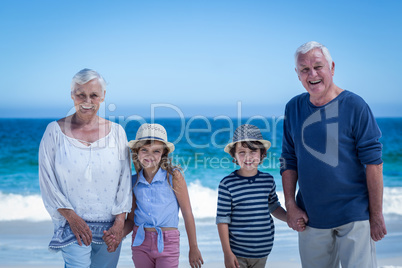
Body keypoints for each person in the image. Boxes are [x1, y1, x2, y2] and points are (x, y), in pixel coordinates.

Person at [280, 41, 387, 268]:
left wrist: (376, 216)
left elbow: (374, 164)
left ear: (332, 68)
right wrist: (290, 205)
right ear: (297, 74)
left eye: (318, 66)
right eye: (305, 69)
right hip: (310, 217)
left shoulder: (355, 106)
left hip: (354, 215)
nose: (312, 74)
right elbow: (288, 159)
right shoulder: (293, 108)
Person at [38, 68, 132, 268]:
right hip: (72, 225)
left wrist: (119, 222)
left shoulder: (117, 133)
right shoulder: (54, 132)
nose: (87, 101)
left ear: (103, 96)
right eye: (81, 94)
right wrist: (72, 218)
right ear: (72, 94)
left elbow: (124, 181)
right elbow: (47, 182)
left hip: (109, 228)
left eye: (94, 95)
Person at [104, 123, 204, 268]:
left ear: (163, 153)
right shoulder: (133, 181)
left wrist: (193, 247)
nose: (150, 155)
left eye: (156, 151)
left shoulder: (173, 176)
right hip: (140, 243)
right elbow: (131, 220)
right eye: (144, 150)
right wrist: (117, 237)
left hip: (168, 243)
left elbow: (187, 213)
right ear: (137, 152)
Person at [216, 124, 304, 268]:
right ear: (234, 155)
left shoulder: (267, 180)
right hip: (238, 253)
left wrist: (290, 218)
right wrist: (227, 253)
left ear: (262, 153)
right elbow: (222, 221)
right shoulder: (227, 184)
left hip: (262, 252)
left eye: (253, 151)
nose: (248, 157)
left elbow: (274, 207)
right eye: (242, 152)